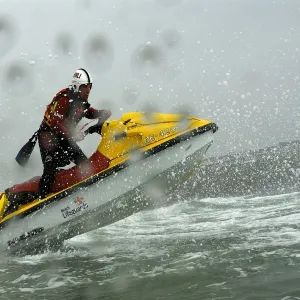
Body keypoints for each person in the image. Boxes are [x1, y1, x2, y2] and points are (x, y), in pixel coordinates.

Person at [38, 68, 111, 199]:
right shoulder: (65, 99)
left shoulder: (81, 102)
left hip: (64, 138)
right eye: (84, 86)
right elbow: (55, 122)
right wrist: (73, 136)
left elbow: (90, 113)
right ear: (77, 86)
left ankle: (88, 196)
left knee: (84, 165)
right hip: (48, 138)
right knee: (50, 170)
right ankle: (41, 200)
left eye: (90, 86)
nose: (88, 90)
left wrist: (102, 112)